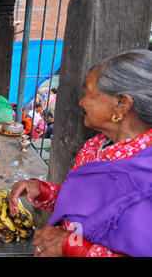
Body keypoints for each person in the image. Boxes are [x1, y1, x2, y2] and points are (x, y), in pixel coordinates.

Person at [8, 49, 152, 257]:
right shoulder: (96, 146)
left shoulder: (145, 173)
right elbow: (80, 204)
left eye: (88, 93)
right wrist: (41, 190)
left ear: (122, 104)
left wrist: (73, 246)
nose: (81, 102)